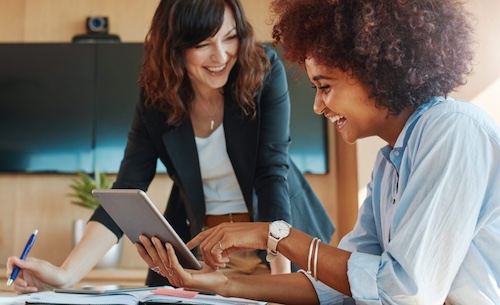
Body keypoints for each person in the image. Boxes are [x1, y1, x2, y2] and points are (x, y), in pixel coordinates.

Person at [134, 0, 500, 304]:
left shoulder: (453, 129)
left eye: (324, 86)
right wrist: (219, 285)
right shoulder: (390, 162)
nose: (318, 105)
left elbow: (403, 294)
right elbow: (338, 287)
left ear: (375, 70)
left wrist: (272, 234)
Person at [5, 0, 334, 293]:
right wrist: (64, 275)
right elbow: (127, 190)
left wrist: (281, 281)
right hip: (206, 251)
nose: (221, 56)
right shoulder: (157, 99)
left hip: (276, 241)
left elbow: (271, 172)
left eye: (230, 37)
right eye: (203, 43)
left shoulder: (262, 71)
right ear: (175, 46)